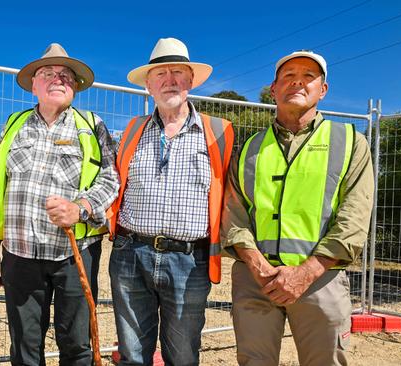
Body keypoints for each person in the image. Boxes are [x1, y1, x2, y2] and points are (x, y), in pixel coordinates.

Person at [221, 50, 374, 365]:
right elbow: (233, 216)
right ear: (273, 89)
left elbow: (354, 219)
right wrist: (261, 268)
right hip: (256, 281)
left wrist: (306, 273)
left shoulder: (350, 143)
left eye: (308, 77)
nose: (298, 83)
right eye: (288, 76)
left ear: (323, 89)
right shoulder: (249, 148)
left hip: (322, 279)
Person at [0, 43, 119, 365]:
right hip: (19, 253)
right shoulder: (14, 125)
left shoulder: (91, 126)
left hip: (75, 252)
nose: (58, 79)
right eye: (48, 73)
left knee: (76, 344)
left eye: (66, 75)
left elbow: (111, 179)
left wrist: (79, 208)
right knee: (25, 346)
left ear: (76, 87)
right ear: (34, 84)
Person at [108, 37, 234, 366]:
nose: (170, 79)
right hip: (130, 256)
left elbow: (232, 195)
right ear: (149, 85)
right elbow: (110, 185)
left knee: (183, 356)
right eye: (160, 73)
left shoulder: (220, 132)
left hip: (190, 261)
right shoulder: (131, 132)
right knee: (133, 356)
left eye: (178, 71)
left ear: (190, 80)